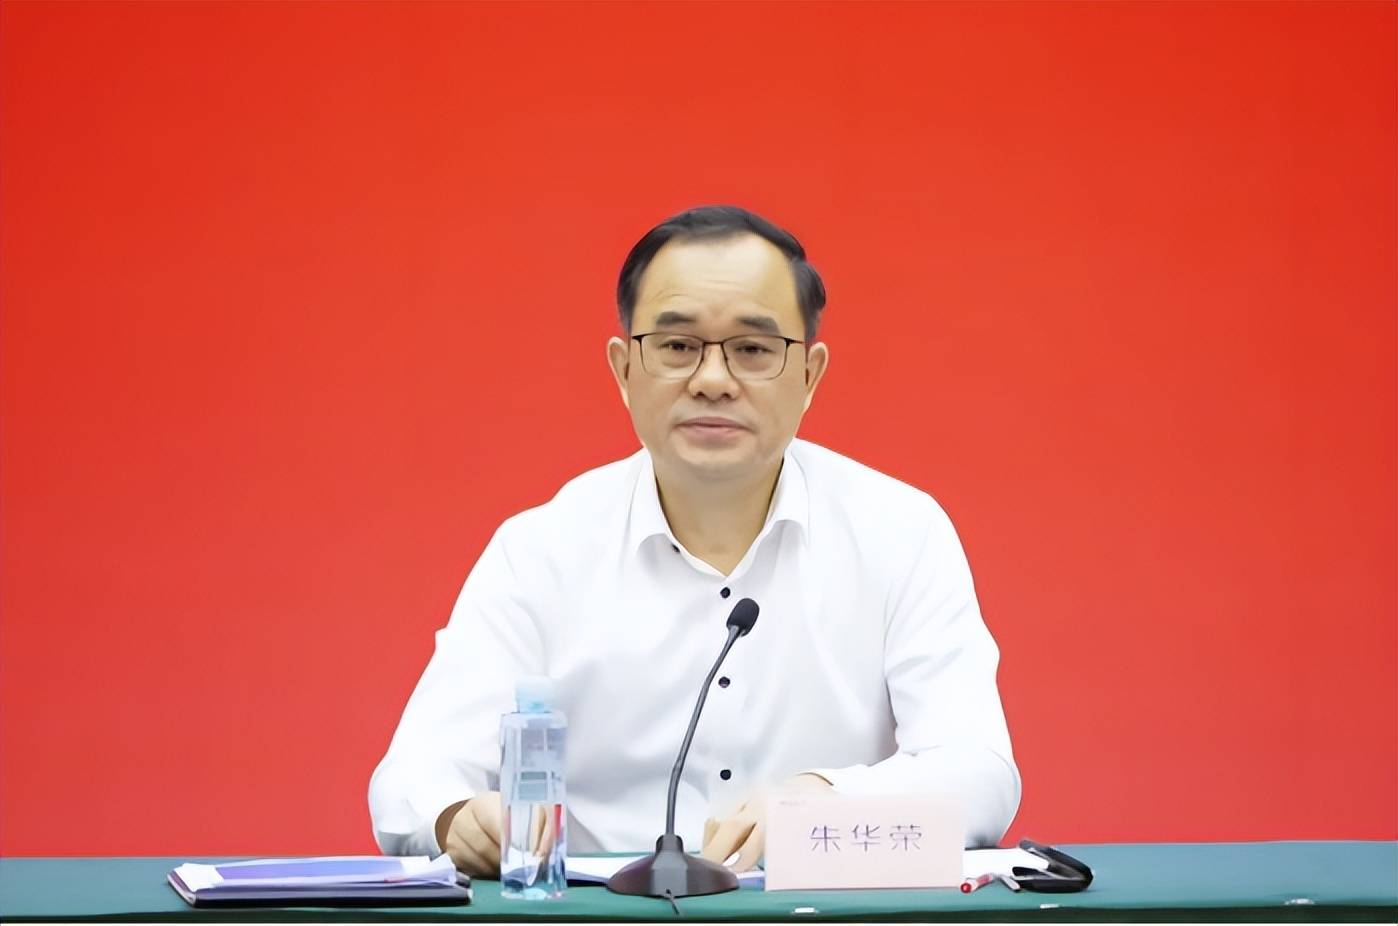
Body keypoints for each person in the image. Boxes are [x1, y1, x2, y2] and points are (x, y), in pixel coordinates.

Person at [368, 204, 1020, 877]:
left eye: (753, 350)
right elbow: (411, 777)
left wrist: (827, 799)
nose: (712, 381)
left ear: (809, 376)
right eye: (678, 347)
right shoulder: (541, 551)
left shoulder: (900, 532)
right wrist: (455, 816)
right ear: (624, 370)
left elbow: (980, 774)